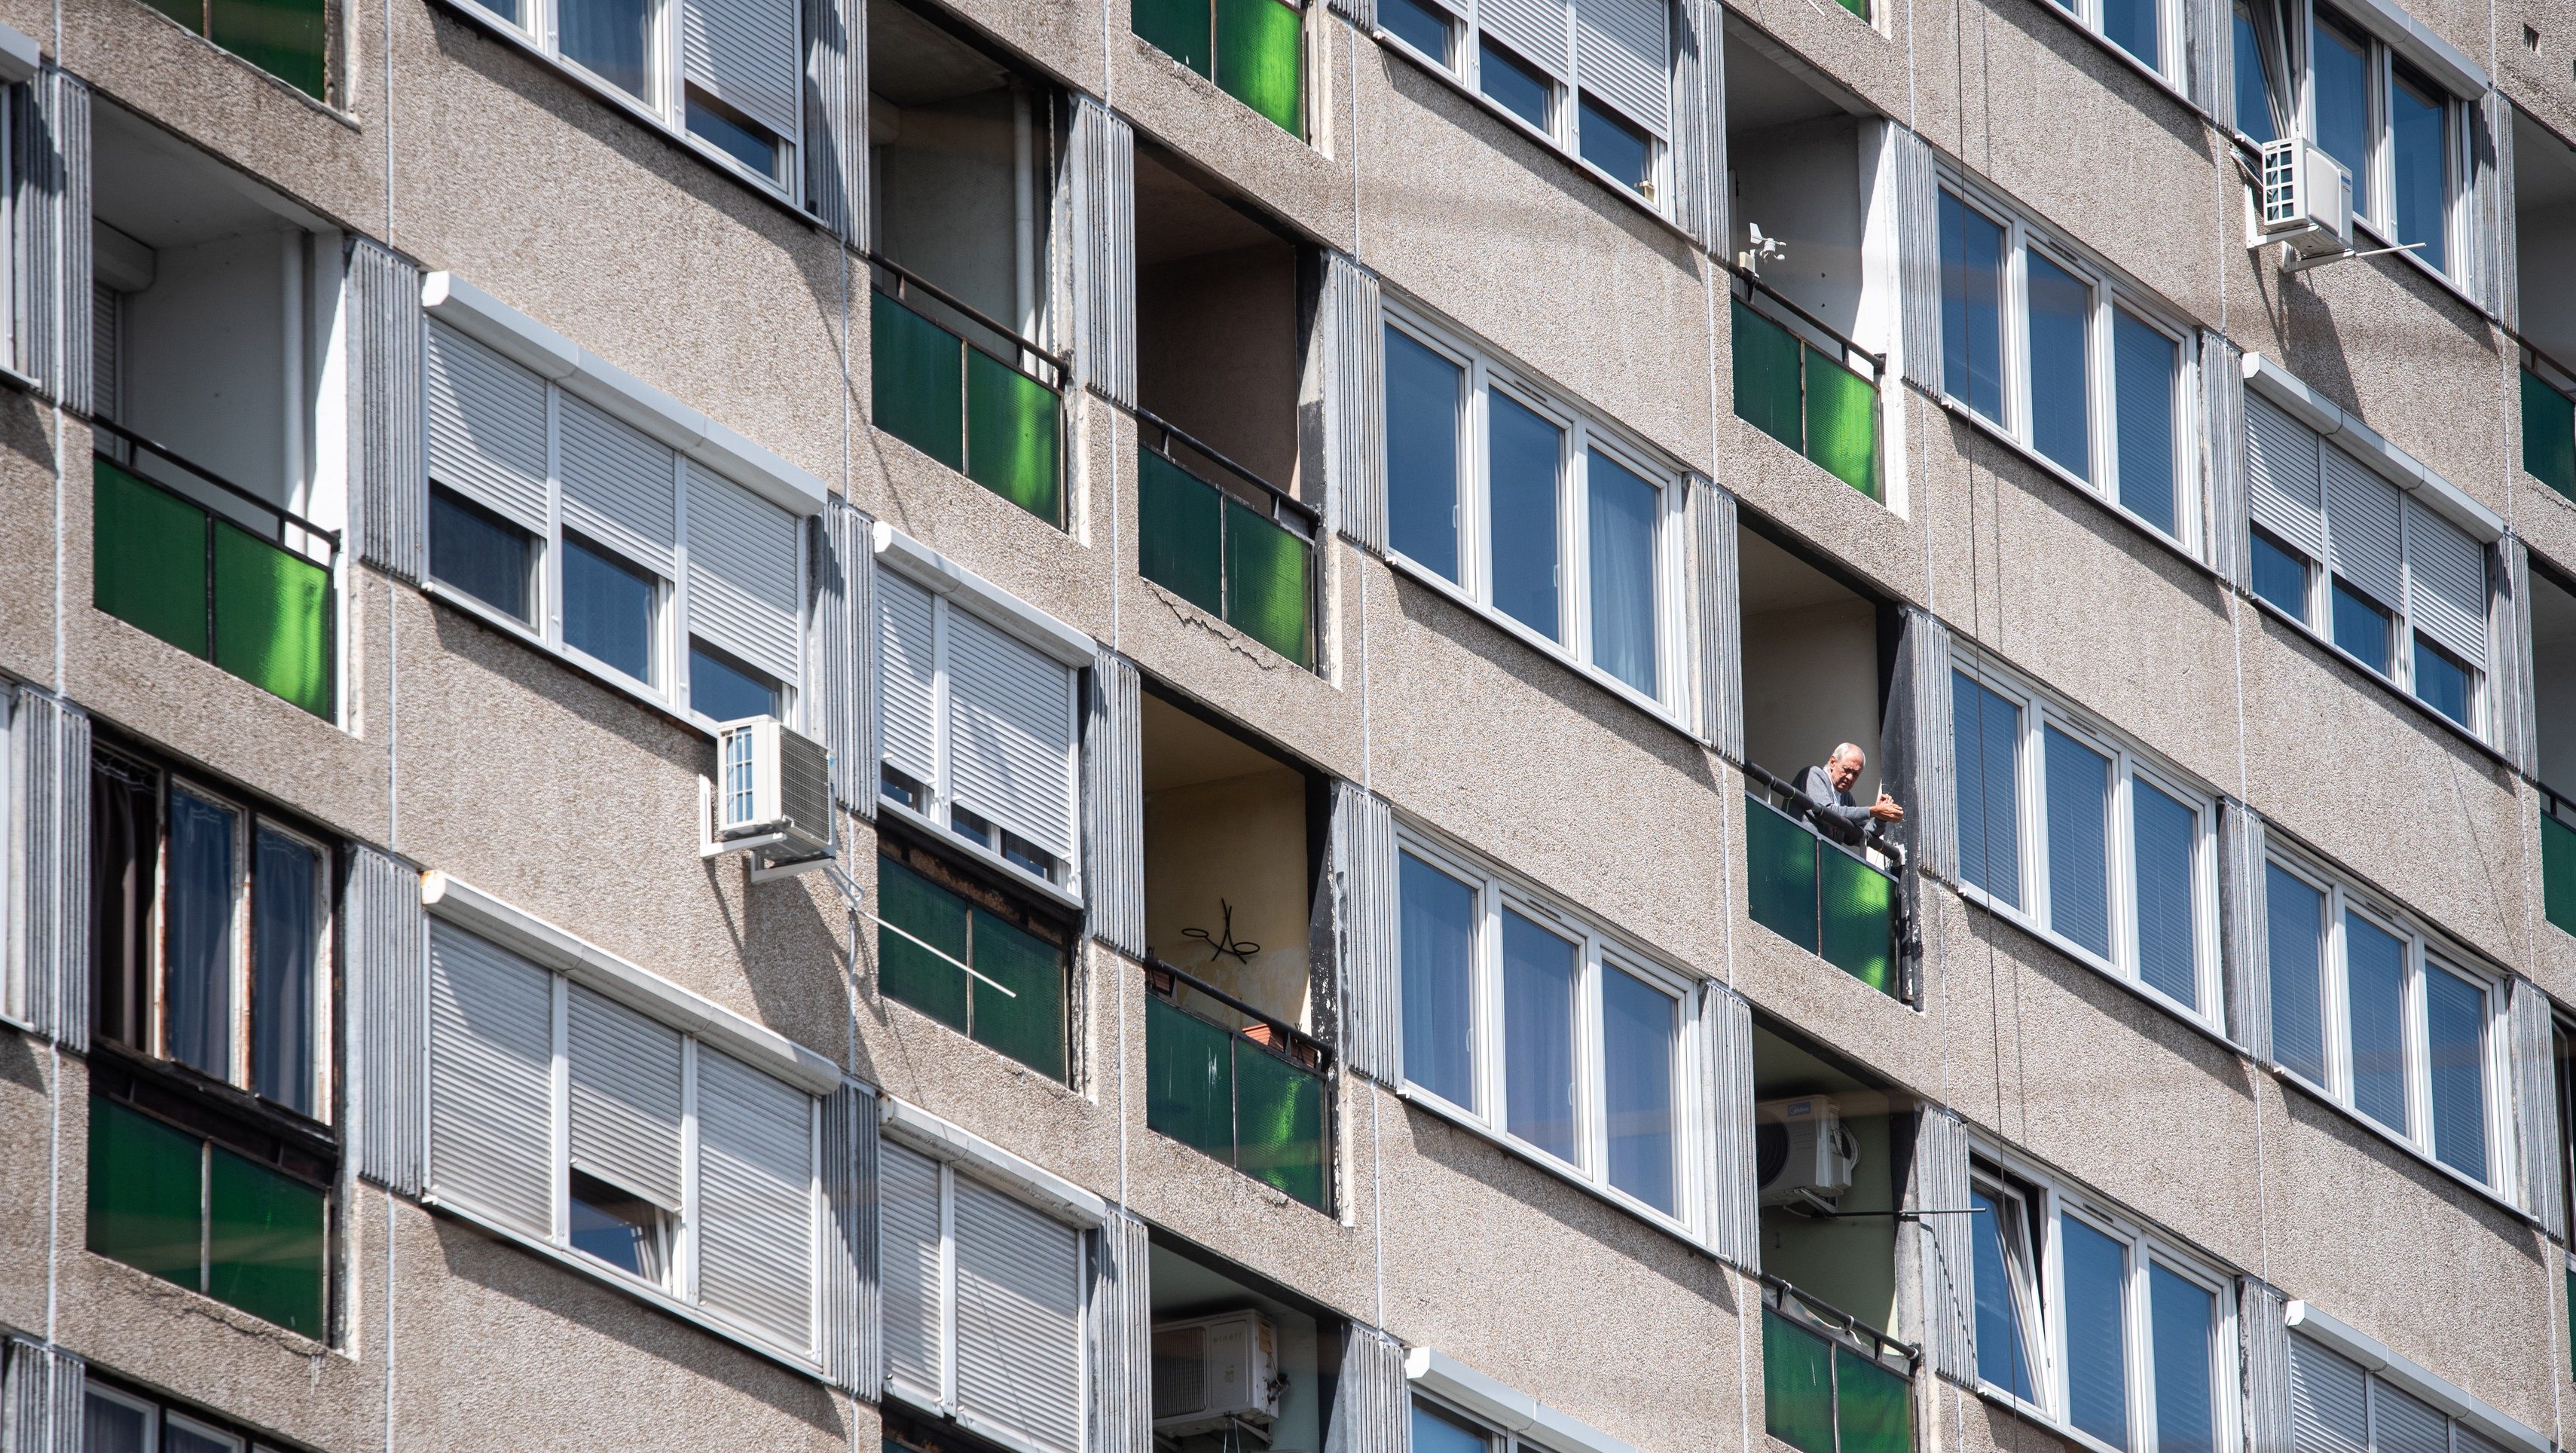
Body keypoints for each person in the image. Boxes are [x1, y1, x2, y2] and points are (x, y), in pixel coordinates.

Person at [1798, 743, 1902, 847]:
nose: (1850, 777)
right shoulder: (1813, 774)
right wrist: (1873, 811)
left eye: (1855, 774)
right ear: (1833, 762)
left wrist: (1880, 818)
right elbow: (1826, 812)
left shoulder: (1846, 797)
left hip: (1826, 858)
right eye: (1847, 770)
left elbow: (1860, 837)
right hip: (1801, 851)